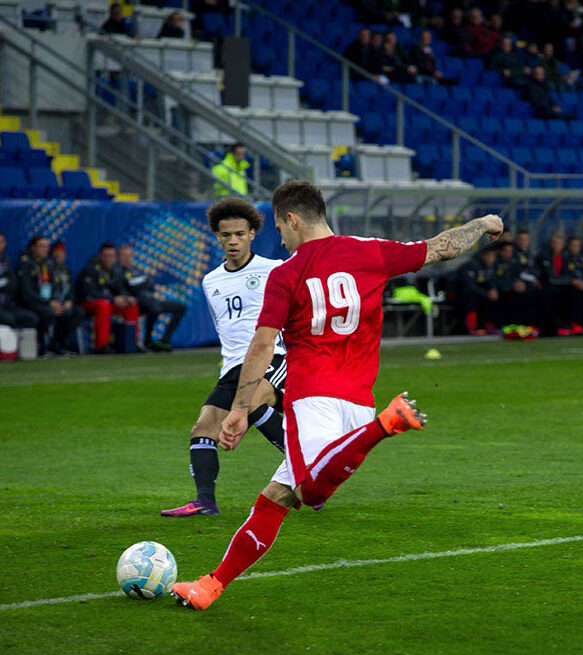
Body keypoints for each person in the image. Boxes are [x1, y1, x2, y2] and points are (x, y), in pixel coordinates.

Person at [170, 180, 503, 610]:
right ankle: (211, 586)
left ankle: (387, 425)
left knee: (310, 493)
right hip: (357, 402)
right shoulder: (369, 249)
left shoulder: (285, 273)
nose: (282, 239)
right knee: (275, 497)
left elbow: (261, 345)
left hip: (313, 400)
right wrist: (482, 223)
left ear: (291, 219)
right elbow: (441, 247)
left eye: (280, 229)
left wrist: (238, 410)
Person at [161, 198, 288, 518]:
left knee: (255, 403)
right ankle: (205, 501)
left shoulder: (274, 269)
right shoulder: (211, 281)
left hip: (272, 357)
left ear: (252, 234)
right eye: (226, 235)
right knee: (202, 428)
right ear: (217, 237)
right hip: (234, 367)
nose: (233, 241)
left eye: (239, 234)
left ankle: (307, 466)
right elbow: (225, 330)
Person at [16, 236, 80, 355]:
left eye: (47, 246)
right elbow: (27, 292)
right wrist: (48, 303)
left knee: (72, 312)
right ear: (33, 248)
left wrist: (56, 302)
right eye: (42, 246)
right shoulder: (26, 264)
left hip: (47, 302)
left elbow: (54, 287)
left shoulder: (48, 265)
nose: (45, 249)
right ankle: (39, 345)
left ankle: (57, 344)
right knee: (48, 312)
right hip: (30, 302)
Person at [117, 244, 187, 352]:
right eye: (124, 255)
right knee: (155, 309)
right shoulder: (118, 272)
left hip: (150, 300)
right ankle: (147, 341)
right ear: (119, 257)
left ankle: (164, 340)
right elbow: (123, 290)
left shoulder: (136, 270)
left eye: (129, 255)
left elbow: (150, 286)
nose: (127, 258)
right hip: (137, 303)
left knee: (180, 307)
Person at [76, 242, 139, 354]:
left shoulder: (115, 270)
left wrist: (126, 298)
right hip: (87, 303)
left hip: (109, 303)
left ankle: (132, 343)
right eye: (106, 256)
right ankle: (102, 346)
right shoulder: (90, 269)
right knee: (104, 306)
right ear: (100, 255)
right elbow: (90, 292)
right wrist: (113, 299)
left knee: (130, 305)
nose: (109, 259)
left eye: (112, 256)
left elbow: (120, 288)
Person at [534, 232, 573, 336]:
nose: (556, 246)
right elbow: (545, 275)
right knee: (547, 295)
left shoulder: (566, 257)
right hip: (548, 286)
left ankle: (566, 325)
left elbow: (568, 274)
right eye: (554, 243)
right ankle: (547, 328)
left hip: (562, 286)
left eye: (559, 243)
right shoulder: (543, 256)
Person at [0, 232, 38, 334]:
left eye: (2, 242)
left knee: (31, 318)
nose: (1, 245)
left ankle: (19, 346)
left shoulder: (5, 261)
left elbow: (12, 284)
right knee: (9, 319)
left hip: (7, 304)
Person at [48, 241, 82, 353]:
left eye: (61, 253)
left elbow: (70, 290)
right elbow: (44, 288)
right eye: (56, 253)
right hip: (52, 303)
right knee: (63, 313)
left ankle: (64, 343)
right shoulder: (47, 269)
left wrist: (69, 301)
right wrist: (51, 302)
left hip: (63, 303)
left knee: (78, 312)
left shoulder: (65, 270)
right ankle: (55, 344)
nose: (59, 255)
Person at [461, 244, 500, 335]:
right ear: (484, 255)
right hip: (461, 294)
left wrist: (493, 290)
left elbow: (492, 282)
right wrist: (486, 293)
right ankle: (471, 327)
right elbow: (470, 286)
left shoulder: (491, 267)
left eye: (493, 256)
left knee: (496, 295)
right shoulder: (472, 265)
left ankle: (490, 326)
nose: (492, 259)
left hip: (481, 295)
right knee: (472, 296)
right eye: (490, 256)